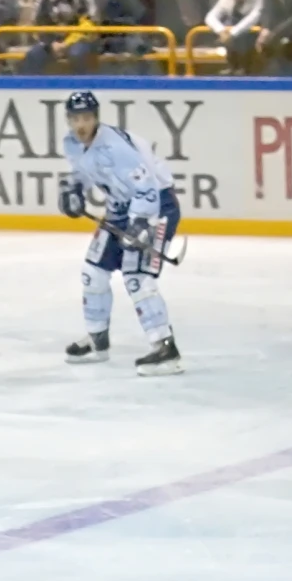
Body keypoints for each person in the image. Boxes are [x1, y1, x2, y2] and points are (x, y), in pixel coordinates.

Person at [57, 89, 183, 374]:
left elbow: (147, 186)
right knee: (93, 272)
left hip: (157, 206)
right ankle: (97, 340)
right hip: (120, 209)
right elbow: (82, 172)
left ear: (96, 118)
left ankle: (165, 347)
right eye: (75, 118)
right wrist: (72, 190)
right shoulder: (72, 144)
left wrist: (139, 224)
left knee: (137, 276)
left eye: (86, 118)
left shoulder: (116, 147)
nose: (80, 125)